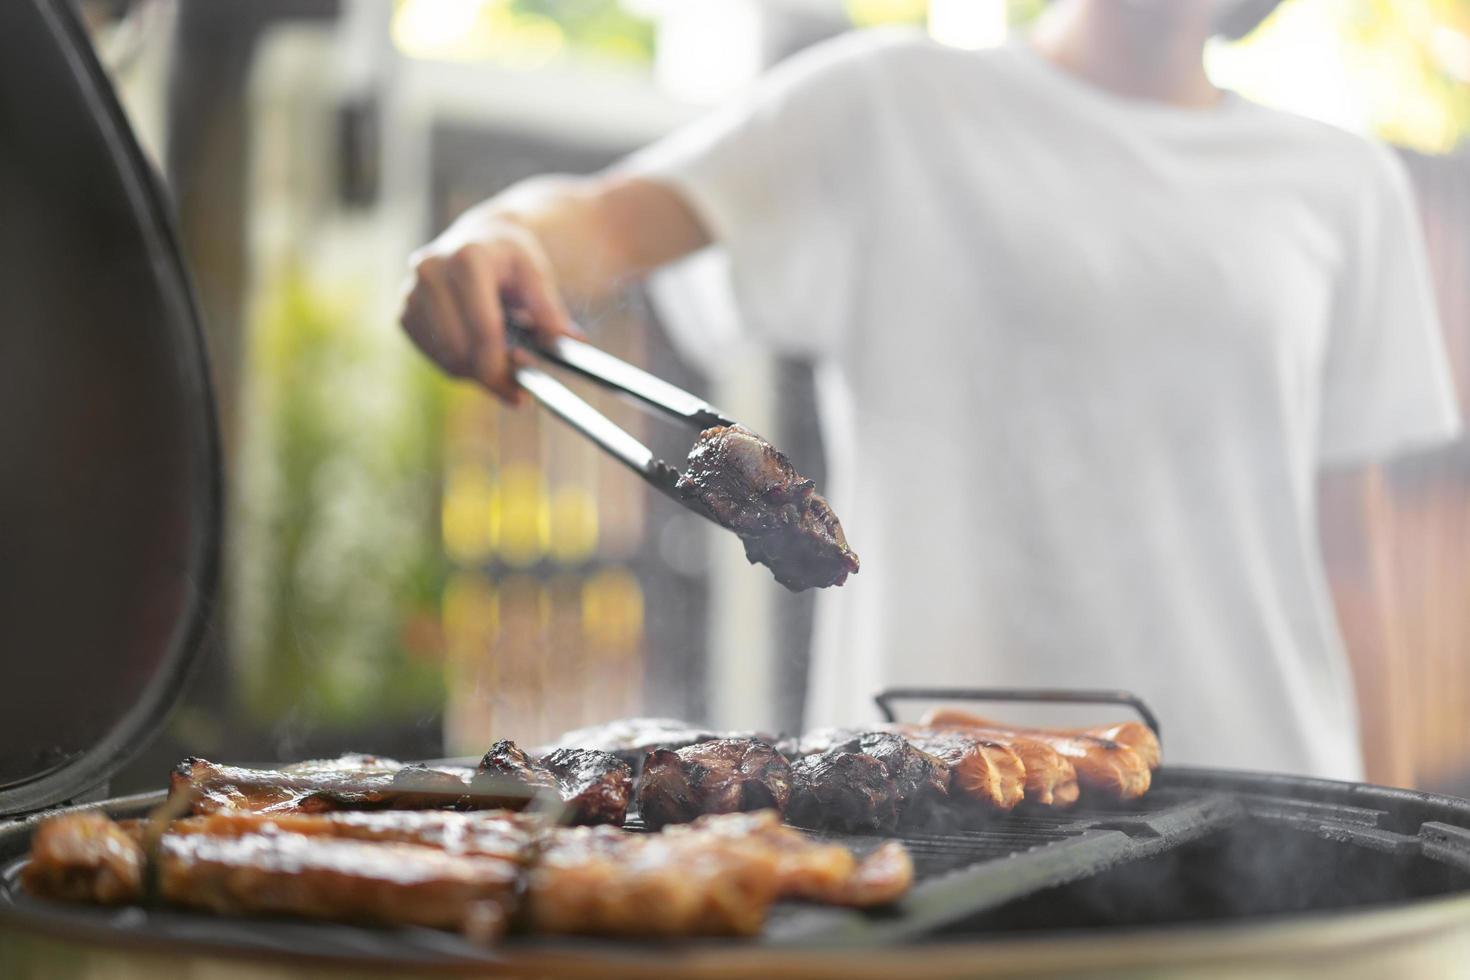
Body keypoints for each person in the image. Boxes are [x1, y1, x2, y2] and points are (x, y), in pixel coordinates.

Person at [399, 0, 1461, 780]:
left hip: (1268, 794)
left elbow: (1355, 557)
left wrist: (1393, 832)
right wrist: (499, 238)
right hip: (923, 803)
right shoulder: (896, 100)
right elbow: (600, 219)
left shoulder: (1346, 182)